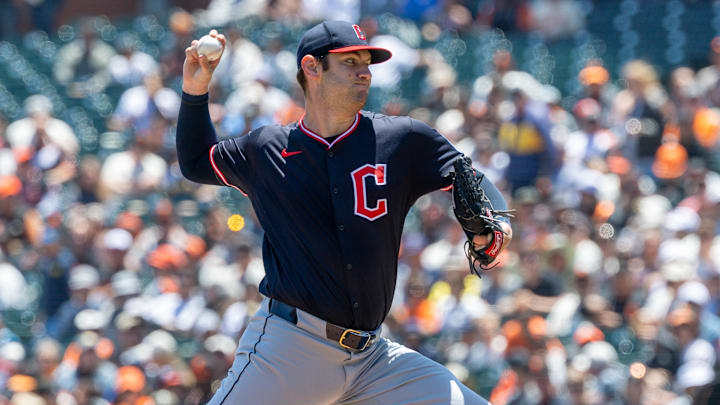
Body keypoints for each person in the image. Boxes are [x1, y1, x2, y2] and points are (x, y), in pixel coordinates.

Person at [176, 21, 512, 404]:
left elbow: (471, 178)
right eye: (350, 61)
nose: (364, 71)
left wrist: (499, 224)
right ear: (312, 67)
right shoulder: (267, 149)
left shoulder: (403, 140)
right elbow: (196, 162)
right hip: (290, 351)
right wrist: (196, 89)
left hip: (373, 360)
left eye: (367, 62)